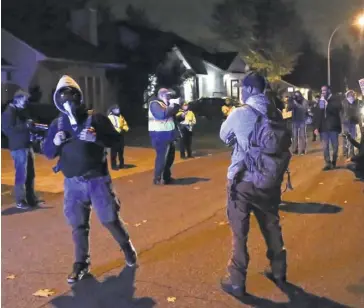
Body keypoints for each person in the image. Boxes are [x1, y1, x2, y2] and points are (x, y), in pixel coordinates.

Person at [42, 75, 136, 284]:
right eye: (63, 95)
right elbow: (48, 152)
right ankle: (81, 263)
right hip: (73, 183)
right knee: (78, 224)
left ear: (79, 96)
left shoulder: (96, 119)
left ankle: (127, 246)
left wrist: (97, 138)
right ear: (57, 99)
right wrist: (55, 142)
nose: (68, 100)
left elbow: (116, 140)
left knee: (109, 218)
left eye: (72, 95)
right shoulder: (57, 124)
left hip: (97, 180)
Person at [219, 72, 289, 298]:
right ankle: (278, 270)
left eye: (242, 88)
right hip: (269, 180)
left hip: (243, 182)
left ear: (248, 89)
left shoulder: (241, 113)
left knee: (240, 233)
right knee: (271, 225)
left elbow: (223, 135)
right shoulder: (275, 112)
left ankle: (237, 281)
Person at [1, 90, 42, 210]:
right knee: (21, 174)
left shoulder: (18, 111)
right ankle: (20, 200)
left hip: (25, 145)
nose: (26, 103)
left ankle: (31, 199)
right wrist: (26, 126)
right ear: (17, 99)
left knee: (30, 174)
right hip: (18, 147)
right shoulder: (9, 112)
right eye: (24, 100)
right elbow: (8, 130)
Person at [148, 88, 180, 185]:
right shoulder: (154, 104)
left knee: (170, 158)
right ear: (162, 95)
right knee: (162, 158)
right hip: (159, 135)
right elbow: (162, 115)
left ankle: (166, 177)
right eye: (167, 95)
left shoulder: (165, 104)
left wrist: (176, 106)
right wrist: (172, 106)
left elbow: (171, 115)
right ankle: (158, 178)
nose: (169, 97)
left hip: (168, 134)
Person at [313, 85, 342, 171]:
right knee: (325, 147)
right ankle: (328, 163)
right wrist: (316, 127)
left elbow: (338, 109)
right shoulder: (321, 101)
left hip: (333, 128)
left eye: (325, 90)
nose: (323, 92)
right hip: (323, 128)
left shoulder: (335, 99)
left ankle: (334, 161)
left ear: (329, 90)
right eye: (322, 91)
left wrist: (328, 105)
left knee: (335, 146)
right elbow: (318, 115)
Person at [287, 91, 309, 155]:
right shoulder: (293, 101)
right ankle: (294, 150)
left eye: (298, 96)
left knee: (302, 136)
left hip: (302, 120)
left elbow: (304, 109)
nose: (297, 97)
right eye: (295, 96)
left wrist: (296, 103)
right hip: (294, 120)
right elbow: (288, 109)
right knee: (294, 136)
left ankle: (302, 150)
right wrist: (290, 102)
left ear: (300, 95)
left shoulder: (304, 101)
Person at [107, 104, 129, 170]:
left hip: (120, 134)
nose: (117, 110)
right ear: (112, 110)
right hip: (113, 135)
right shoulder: (109, 117)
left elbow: (124, 123)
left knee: (121, 151)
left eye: (118, 109)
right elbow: (108, 126)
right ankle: (113, 166)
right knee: (114, 151)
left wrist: (126, 128)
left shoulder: (120, 116)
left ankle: (121, 164)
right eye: (115, 109)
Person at [341, 90, 360, 158]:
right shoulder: (343, 102)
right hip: (345, 123)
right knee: (345, 137)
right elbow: (341, 113)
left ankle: (351, 153)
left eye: (353, 94)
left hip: (353, 122)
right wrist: (342, 120)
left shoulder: (356, 102)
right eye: (350, 94)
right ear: (347, 95)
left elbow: (357, 111)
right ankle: (345, 151)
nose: (352, 95)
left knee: (352, 138)